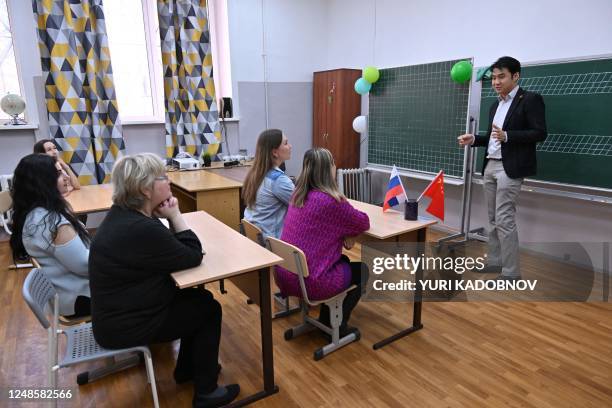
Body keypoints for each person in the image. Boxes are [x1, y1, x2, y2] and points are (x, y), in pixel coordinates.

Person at [88, 153, 239, 408]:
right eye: (163, 177)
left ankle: (188, 370)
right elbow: (192, 255)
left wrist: (167, 219)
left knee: (199, 299)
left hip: (119, 314)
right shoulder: (141, 228)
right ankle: (206, 393)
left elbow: (171, 250)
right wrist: (175, 215)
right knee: (209, 310)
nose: (169, 181)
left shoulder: (126, 216)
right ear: (146, 189)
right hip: (127, 325)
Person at [458, 56, 547, 280]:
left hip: (511, 168)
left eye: (501, 77)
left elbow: (540, 133)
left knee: (505, 219)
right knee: (493, 219)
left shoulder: (530, 99)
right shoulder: (495, 104)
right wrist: (475, 139)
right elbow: (492, 137)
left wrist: (508, 136)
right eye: (493, 78)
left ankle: (511, 273)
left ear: (515, 76)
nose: (496, 82)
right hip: (490, 165)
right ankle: (495, 262)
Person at [274, 148, 370, 337]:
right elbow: (363, 222)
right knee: (363, 271)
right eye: (333, 162)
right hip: (311, 283)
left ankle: (327, 318)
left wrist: (342, 234)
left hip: (286, 276)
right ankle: (337, 327)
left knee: (344, 262)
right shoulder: (331, 201)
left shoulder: (297, 195)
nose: (336, 166)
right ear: (328, 169)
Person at [10, 154, 91, 317]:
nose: (67, 177)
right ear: (44, 182)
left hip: (65, 295)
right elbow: (86, 266)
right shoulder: (52, 222)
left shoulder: (34, 215)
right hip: (81, 298)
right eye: (60, 174)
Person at [242, 129, 294, 239]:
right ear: (275, 152)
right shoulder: (278, 180)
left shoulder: (256, 173)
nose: (290, 146)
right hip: (270, 244)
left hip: (254, 238)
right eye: (286, 143)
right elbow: (305, 205)